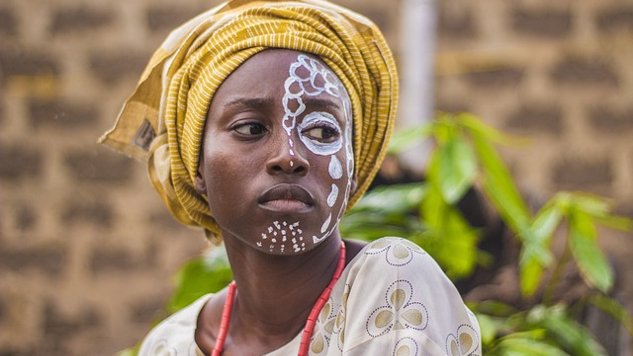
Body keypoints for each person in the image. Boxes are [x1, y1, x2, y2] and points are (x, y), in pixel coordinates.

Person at [100, 0, 481, 355]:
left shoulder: (392, 281)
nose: (289, 156)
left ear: (352, 169)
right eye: (250, 128)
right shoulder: (169, 344)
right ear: (195, 164)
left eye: (322, 131)